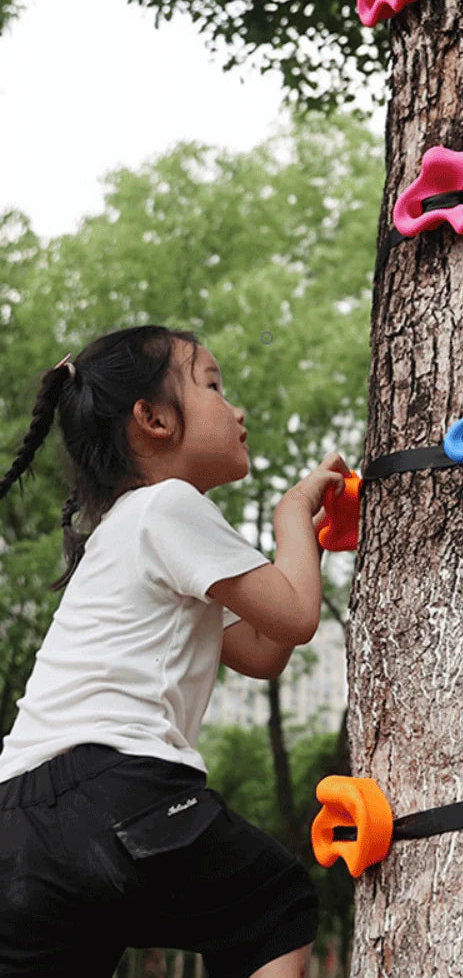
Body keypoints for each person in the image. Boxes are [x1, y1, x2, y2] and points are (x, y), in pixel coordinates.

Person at [0, 325, 351, 978]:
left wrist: (311, 543)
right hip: (118, 785)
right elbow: (300, 617)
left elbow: (265, 649)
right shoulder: (169, 506)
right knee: (274, 908)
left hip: (17, 820)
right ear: (153, 419)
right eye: (214, 386)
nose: (236, 408)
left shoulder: (122, 539)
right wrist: (291, 515)